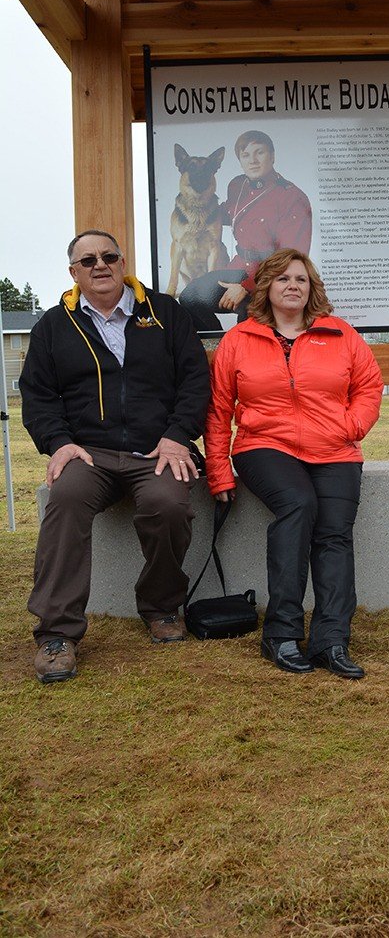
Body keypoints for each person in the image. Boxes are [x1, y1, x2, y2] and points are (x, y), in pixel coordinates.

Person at [20, 230, 211, 683]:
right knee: (64, 503)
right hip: (90, 454)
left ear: (123, 261)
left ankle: (162, 608)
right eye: (88, 261)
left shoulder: (165, 313)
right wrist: (59, 442)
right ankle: (57, 633)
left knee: (168, 505)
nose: (100, 265)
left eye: (109, 256)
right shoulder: (53, 325)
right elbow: (39, 395)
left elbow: (195, 381)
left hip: (157, 450)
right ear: (73, 272)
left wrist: (178, 436)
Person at [204, 248, 383, 678]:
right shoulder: (239, 339)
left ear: (311, 288)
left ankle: (332, 641)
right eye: (283, 278)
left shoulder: (339, 333)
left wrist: (351, 425)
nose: (292, 286)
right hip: (264, 446)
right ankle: (281, 635)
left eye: (301, 279)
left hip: (335, 448)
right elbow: (218, 410)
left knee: (335, 534)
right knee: (298, 505)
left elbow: (369, 385)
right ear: (266, 286)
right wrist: (218, 470)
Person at [180, 130, 312, 330]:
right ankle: (220, 345)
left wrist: (246, 287)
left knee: (248, 317)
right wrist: (193, 204)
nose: (253, 160)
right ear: (240, 161)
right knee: (191, 297)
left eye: (260, 152)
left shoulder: (293, 198)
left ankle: (242, 347)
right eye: (246, 155)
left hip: (271, 278)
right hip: (240, 268)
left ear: (273, 156)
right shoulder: (237, 185)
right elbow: (226, 213)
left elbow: (292, 260)